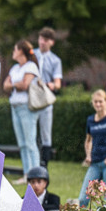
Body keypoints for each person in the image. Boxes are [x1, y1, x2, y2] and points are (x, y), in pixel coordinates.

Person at [2, 39, 41, 183]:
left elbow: (25, 85)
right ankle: (27, 174)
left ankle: (36, 174)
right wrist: (14, 84)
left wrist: (12, 84)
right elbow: (5, 85)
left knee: (30, 142)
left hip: (27, 108)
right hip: (15, 107)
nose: (13, 52)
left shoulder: (31, 66)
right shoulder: (15, 68)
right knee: (22, 143)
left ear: (21, 51)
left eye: (15, 49)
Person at [35, 27, 63, 166]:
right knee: (31, 133)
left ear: (51, 42)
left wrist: (52, 85)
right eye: (40, 39)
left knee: (46, 133)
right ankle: (32, 163)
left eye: (45, 40)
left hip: (45, 98)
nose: (42, 42)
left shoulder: (55, 60)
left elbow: (58, 83)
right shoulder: (32, 55)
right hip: (32, 97)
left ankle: (44, 164)